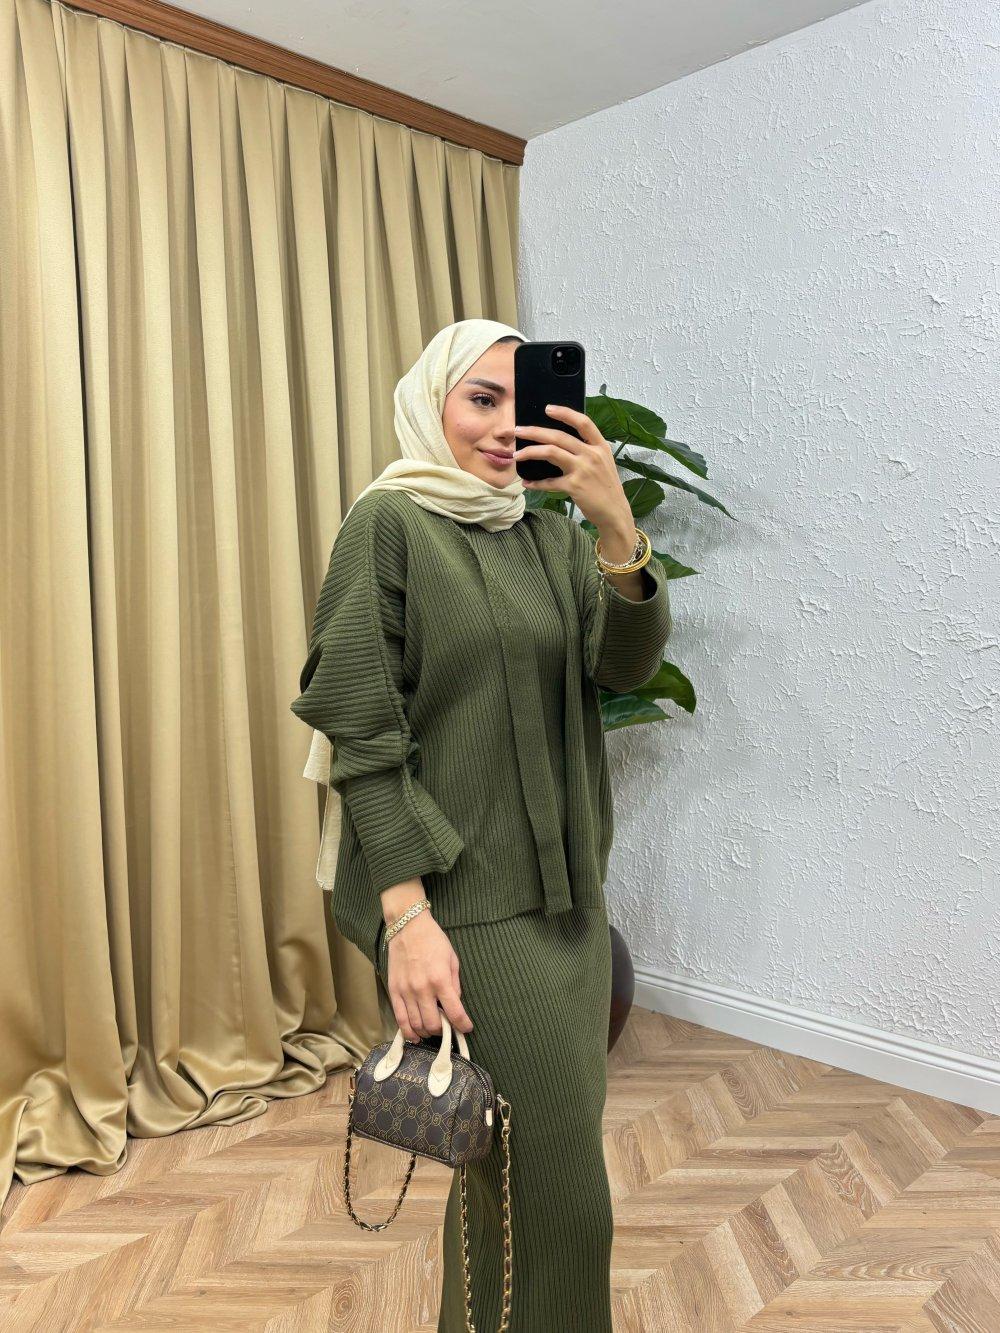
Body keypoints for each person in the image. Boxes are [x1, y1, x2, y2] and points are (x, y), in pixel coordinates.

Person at [291, 318, 672, 1330]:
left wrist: (615, 528)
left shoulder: (551, 537)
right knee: (565, 1202)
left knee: (506, 1178)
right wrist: (408, 919)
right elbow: (363, 730)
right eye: (481, 399)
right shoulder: (390, 524)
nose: (506, 426)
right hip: (462, 905)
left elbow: (624, 666)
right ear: (433, 403)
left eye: (522, 400)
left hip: (569, 905)